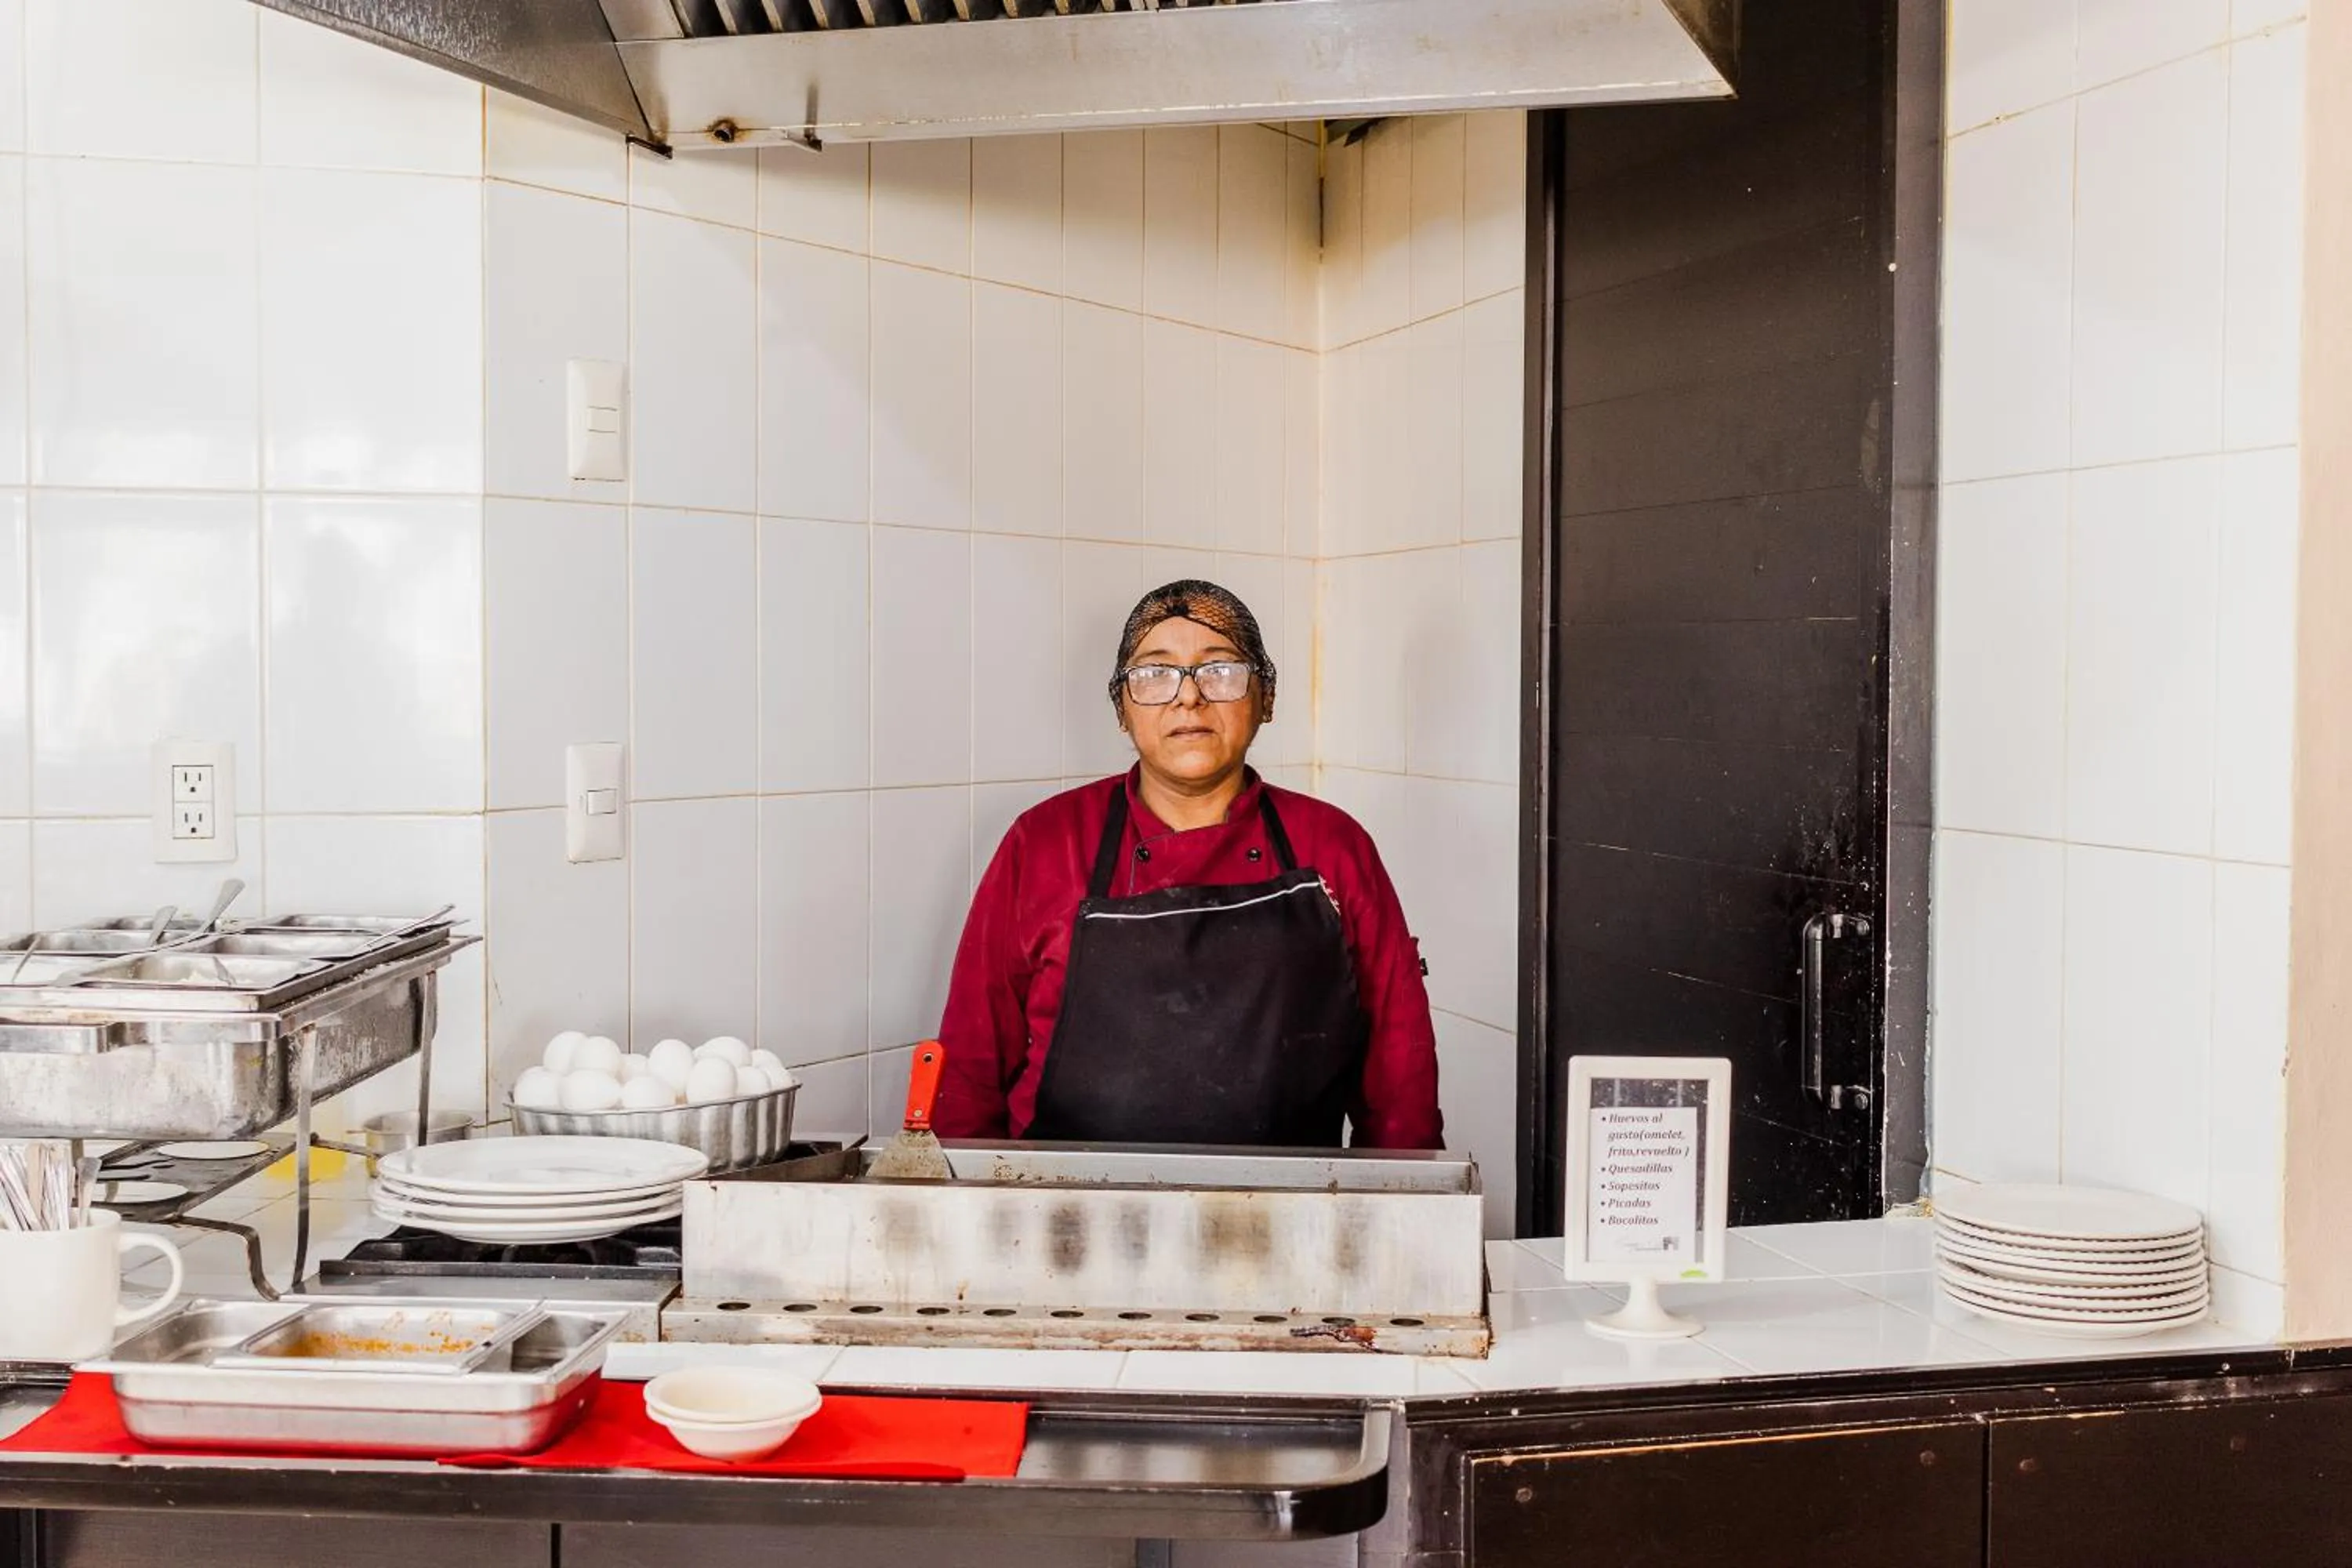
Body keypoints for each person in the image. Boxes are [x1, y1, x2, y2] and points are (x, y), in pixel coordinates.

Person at [935, 579, 1443, 1149]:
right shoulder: (1045, 842)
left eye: (1219, 669)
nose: (1188, 697)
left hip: (1291, 1214)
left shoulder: (1334, 846)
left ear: (1266, 697)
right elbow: (969, 1069)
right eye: (1155, 673)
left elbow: (1401, 1083)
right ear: (1122, 709)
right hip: (1068, 1215)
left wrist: (1400, 1208)